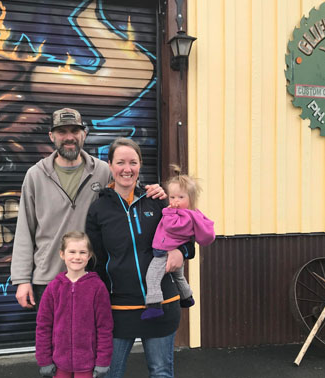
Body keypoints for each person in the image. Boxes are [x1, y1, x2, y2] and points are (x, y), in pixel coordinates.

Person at [11, 108, 166, 310]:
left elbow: (129, 198)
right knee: (53, 340)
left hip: (91, 276)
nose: (69, 138)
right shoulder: (36, 175)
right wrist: (22, 279)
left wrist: (153, 191)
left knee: (90, 339)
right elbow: (25, 229)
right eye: (62, 132)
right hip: (49, 277)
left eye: (75, 131)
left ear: (84, 134)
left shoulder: (102, 170)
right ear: (51, 136)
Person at [86, 138, 192, 378]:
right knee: (109, 374)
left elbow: (189, 239)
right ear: (110, 166)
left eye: (133, 162)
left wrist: (180, 252)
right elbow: (96, 262)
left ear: (140, 165)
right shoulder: (99, 209)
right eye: (120, 162)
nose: (127, 168)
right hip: (119, 307)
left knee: (161, 372)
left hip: (161, 305)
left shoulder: (157, 200)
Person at [141, 165, 215, 320]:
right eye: (172, 197)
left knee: (152, 276)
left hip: (164, 252)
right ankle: (187, 297)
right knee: (179, 277)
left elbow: (172, 227)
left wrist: (168, 212)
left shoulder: (185, 215)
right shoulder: (185, 213)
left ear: (191, 199)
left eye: (181, 197)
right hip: (173, 252)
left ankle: (154, 306)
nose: (175, 201)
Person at [35, 231, 112, 378]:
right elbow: (43, 326)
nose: (77, 257)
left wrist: (103, 361)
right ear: (62, 254)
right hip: (59, 364)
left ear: (89, 256)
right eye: (72, 252)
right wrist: (44, 360)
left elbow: (104, 327)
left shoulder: (97, 287)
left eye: (82, 252)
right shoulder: (53, 288)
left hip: (87, 364)